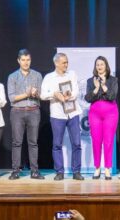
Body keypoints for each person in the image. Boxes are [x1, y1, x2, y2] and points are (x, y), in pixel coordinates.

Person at [40, 53, 84, 181]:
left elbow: (76, 91)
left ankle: (76, 171)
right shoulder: (49, 77)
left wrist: (68, 94)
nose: (66, 65)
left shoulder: (72, 74)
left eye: (67, 62)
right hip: (57, 114)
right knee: (57, 144)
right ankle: (59, 171)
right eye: (64, 62)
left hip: (73, 113)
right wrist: (55, 94)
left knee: (76, 143)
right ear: (56, 63)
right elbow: (43, 95)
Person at [7, 49, 44, 180]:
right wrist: (27, 94)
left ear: (30, 60)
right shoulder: (12, 76)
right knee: (17, 142)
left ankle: (34, 171)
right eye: (23, 60)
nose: (26, 62)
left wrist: (36, 93)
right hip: (17, 111)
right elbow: (11, 98)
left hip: (33, 110)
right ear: (18, 61)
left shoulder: (37, 75)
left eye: (28, 60)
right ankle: (15, 171)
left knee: (33, 142)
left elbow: (42, 95)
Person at [84, 56, 118, 180]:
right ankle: (97, 168)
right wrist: (96, 87)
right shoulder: (90, 81)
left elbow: (112, 96)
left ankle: (107, 168)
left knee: (108, 141)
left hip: (110, 113)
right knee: (96, 141)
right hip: (95, 113)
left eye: (102, 64)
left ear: (106, 66)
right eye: (97, 64)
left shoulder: (113, 80)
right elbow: (88, 98)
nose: (99, 66)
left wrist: (104, 86)